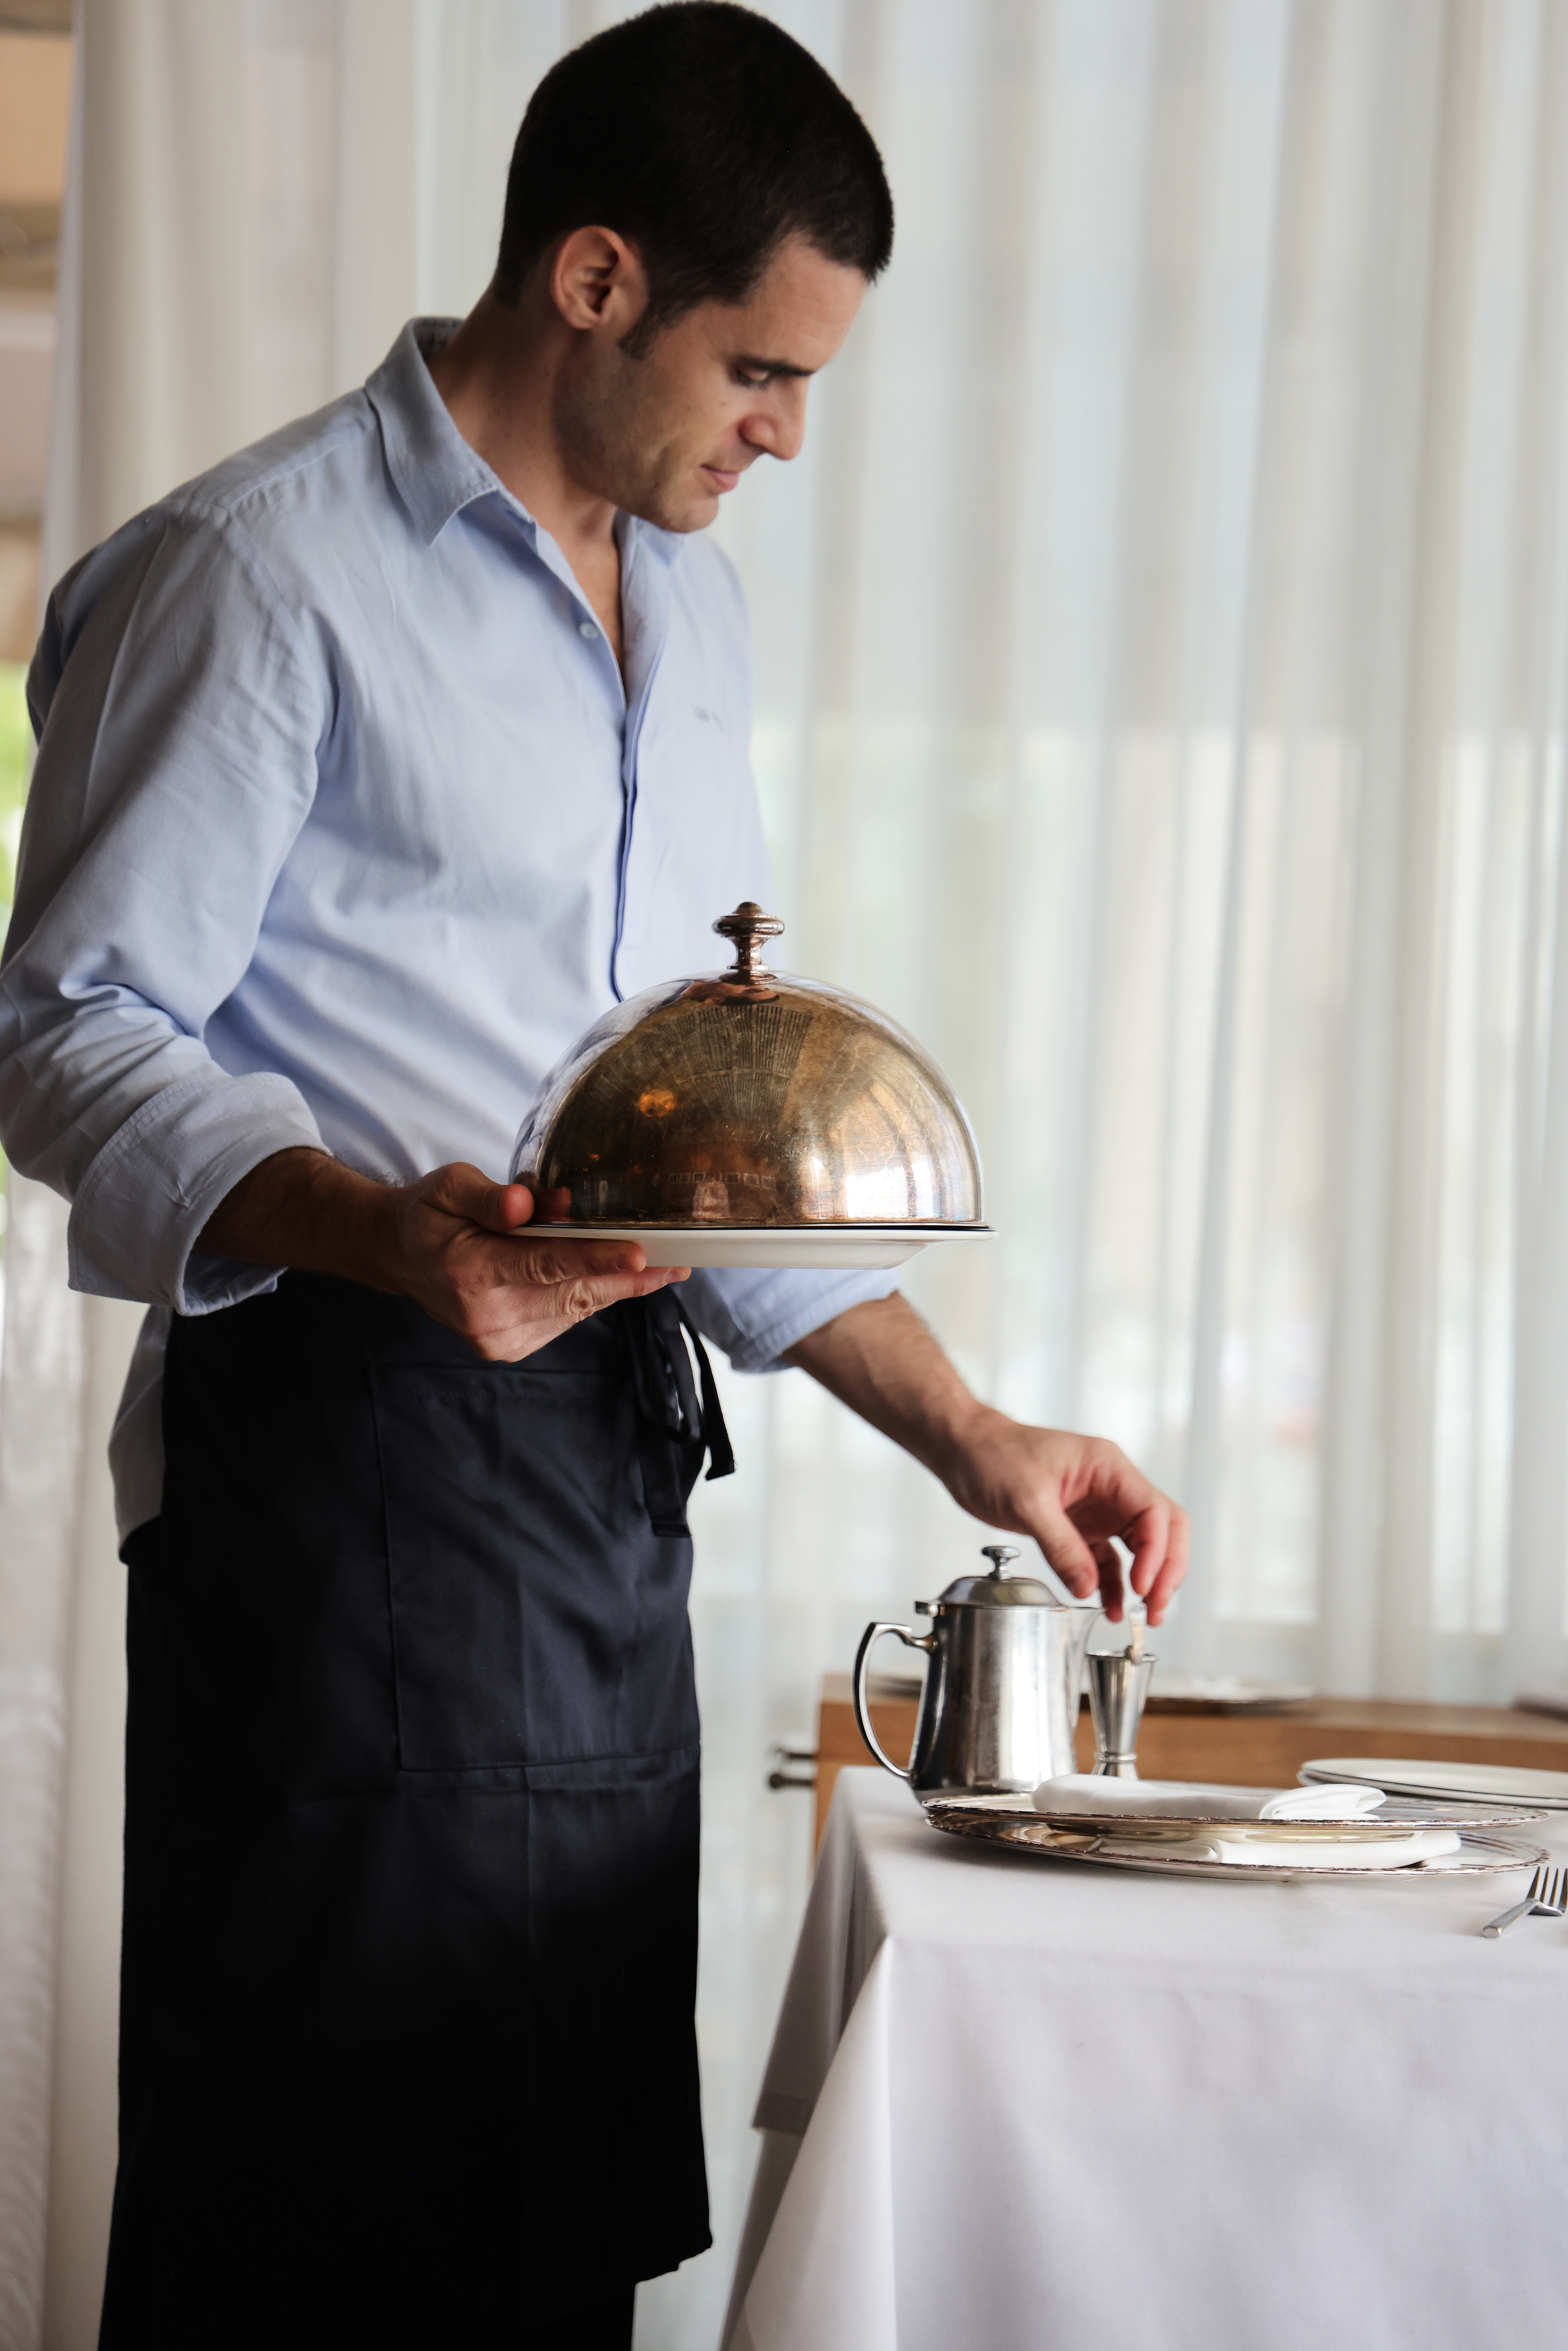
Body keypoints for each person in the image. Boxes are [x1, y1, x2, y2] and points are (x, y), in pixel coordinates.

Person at [0, 6, 1188, 2345]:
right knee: (323, 2235)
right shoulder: (252, 575)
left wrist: (976, 1436)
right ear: (593, 277)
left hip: (592, 1515)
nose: (786, 435)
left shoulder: (702, 621)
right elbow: (59, 1034)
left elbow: (694, 1167)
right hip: (334, 1508)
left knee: (548, 2238)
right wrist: (385, 1233)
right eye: (761, 370)